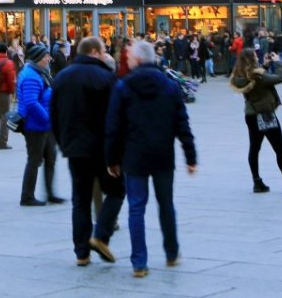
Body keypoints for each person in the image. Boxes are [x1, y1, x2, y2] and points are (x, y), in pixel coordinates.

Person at [105, 41, 197, 278]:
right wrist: (190, 154)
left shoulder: (123, 87)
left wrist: (112, 158)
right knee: (166, 203)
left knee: (136, 207)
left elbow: (114, 126)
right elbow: (181, 121)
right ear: (153, 58)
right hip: (162, 154)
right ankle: (172, 252)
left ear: (135, 60)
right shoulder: (169, 85)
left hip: (134, 156)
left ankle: (139, 263)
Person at [51, 36, 124, 266]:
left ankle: (81, 253)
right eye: (103, 51)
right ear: (94, 51)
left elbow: (54, 114)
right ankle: (101, 235)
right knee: (116, 191)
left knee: (80, 200)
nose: (105, 55)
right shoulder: (106, 78)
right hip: (101, 148)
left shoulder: (62, 77)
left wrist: (64, 143)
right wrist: (116, 152)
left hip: (75, 148)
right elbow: (115, 118)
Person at [229, 49, 282, 194]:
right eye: (256, 56)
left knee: (254, 148)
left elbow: (256, 76)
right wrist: (278, 63)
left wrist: (264, 66)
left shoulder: (241, 75)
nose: (258, 57)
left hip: (251, 114)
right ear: (252, 59)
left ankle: (257, 181)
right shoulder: (258, 76)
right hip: (265, 114)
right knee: (279, 148)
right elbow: (278, 78)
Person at [18, 43, 62, 206]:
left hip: (44, 125)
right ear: (38, 58)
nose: (49, 58)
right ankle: (27, 196)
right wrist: (47, 118)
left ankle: (50, 193)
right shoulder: (31, 75)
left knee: (50, 158)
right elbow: (31, 102)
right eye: (46, 56)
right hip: (35, 125)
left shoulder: (39, 72)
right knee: (35, 160)